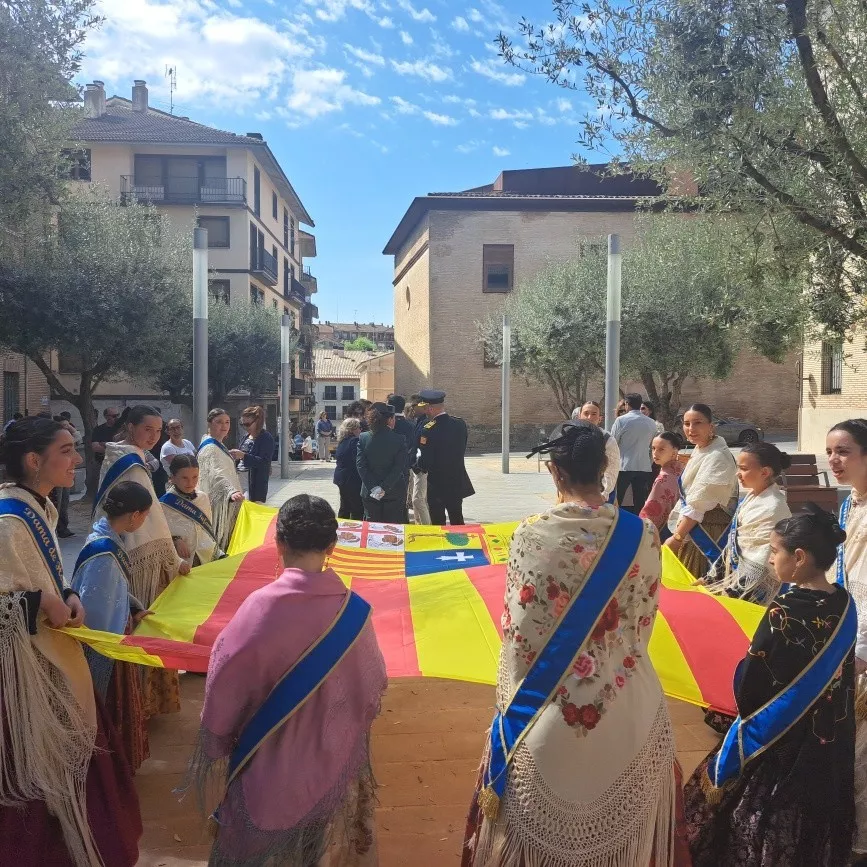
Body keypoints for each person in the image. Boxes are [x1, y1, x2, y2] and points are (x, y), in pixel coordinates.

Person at [462, 421, 681, 867]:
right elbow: (643, 621)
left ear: (553, 471)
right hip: (627, 701)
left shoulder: (530, 534)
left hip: (546, 710)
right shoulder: (644, 534)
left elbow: (518, 634)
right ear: (605, 468)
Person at [184, 494, 387, 866]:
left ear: (278, 543)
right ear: (332, 547)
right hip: (335, 773)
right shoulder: (356, 614)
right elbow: (371, 693)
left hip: (268, 773)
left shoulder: (257, 610)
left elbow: (223, 682)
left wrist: (220, 740)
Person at [0, 416, 142, 865]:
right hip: (26, 683)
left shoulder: (38, 506)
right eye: (66, 451)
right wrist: (41, 600)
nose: (77, 459)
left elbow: (46, 574)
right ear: (32, 460)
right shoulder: (8, 519)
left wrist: (66, 593)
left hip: (54, 659)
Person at [683, 505, 856, 866]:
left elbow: (753, 679)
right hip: (827, 733)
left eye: (774, 551)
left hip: (779, 741)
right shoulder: (844, 602)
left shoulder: (785, 609)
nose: (770, 557)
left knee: (762, 808)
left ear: (799, 557)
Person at [96, 404, 186, 717]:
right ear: (131, 426)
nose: (153, 436)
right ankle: (137, 708)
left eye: (158, 431)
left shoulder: (125, 456)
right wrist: (172, 557)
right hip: (138, 555)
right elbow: (149, 519)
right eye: (148, 429)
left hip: (135, 550)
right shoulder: (129, 461)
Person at [72, 479, 153, 772]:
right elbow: (97, 607)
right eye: (145, 515)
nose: (145, 521)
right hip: (106, 646)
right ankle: (108, 770)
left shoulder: (105, 537)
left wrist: (132, 605)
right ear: (134, 515)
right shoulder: (105, 551)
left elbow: (113, 589)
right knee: (106, 708)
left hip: (115, 633)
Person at [827, 418, 867, 858]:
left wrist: (860, 652)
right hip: (849, 629)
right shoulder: (850, 505)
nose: (834, 461)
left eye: (844, 452)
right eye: (831, 452)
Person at [703, 441, 792, 604]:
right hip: (737, 582)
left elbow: (762, 559)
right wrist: (711, 577)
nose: (738, 474)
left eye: (743, 469)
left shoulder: (773, 508)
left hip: (754, 592)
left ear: (764, 472)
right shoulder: (751, 497)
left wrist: (735, 591)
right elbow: (734, 543)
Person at [665, 403, 739, 578]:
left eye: (697, 423)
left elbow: (700, 503)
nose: (691, 428)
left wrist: (677, 538)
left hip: (709, 533)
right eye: (686, 423)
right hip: (692, 529)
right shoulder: (701, 450)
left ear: (710, 426)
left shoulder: (718, 456)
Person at [416, 389, 475, 526]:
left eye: (425, 409)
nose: (425, 412)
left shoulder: (428, 429)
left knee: (438, 522)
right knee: (457, 518)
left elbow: (425, 460)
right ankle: (461, 544)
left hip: (437, 484)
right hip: (456, 480)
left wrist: (419, 465)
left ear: (430, 408)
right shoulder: (460, 424)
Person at [161, 454, 224, 567]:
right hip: (183, 561)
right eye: (184, 478)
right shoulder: (164, 504)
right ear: (172, 478)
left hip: (207, 553)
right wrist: (175, 540)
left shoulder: (203, 498)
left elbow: (207, 528)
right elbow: (160, 535)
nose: (190, 483)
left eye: (195, 477)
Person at [197, 408, 245, 552]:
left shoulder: (218, 445)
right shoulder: (210, 448)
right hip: (221, 501)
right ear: (209, 424)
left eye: (227, 422)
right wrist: (230, 491)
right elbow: (216, 474)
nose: (224, 426)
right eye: (219, 422)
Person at [356, 402, 407, 522]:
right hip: (393, 491)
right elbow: (398, 467)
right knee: (392, 529)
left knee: (372, 529)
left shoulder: (363, 437)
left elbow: (361, 466)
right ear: (389, 420)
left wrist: (375, 488)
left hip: (370, 491)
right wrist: (384, 488)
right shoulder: (399, 439)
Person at [610, 392, 659, 514]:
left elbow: (613, 443)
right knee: (640, 501)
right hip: (644, 466)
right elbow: (653, 446)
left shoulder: (621, 420)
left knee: (617, 499)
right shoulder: (651, 423)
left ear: (627, 404)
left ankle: (616, 523)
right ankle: (640, 526)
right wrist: (649, 462)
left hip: (624, 466)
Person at [639, 431, 684, 537]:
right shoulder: (681, 469)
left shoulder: (663, 478)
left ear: (674, 452)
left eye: (661, 449)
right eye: (653, 448)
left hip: (666, 529)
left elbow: (651, 512)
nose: (655, 453)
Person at [572, 400, 619, 500]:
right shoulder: (570, 437)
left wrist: (603, 493)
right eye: (586, 413)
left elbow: (612, 470)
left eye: (594, 414)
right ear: (579, 416)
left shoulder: (607, 440)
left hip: (599, 494)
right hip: (574, 493)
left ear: (600, 418)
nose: (589, 417)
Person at [239, 406, 274, 504]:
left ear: (257, 422)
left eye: (248, 424)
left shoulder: (266, 438)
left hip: (254, 483)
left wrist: (243, 456)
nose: (245, 427)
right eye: (243, 424)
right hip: (240, 479)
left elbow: (264, 462)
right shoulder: (245, 437)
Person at [406, 394, 431, 525]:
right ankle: (418, 525)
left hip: (421, 467)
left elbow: (424, 446)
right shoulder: (418, 421)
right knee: (416, 500)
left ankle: (427, 528)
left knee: (418, 500)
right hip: (415, 466)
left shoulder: (427, 422)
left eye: (414, 406)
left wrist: (419, 464)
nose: (413, 409)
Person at [334, 417, 364, 520]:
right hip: (351, 478)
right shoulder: (354, 441)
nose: (361, 430)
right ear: (352, 429)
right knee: (357, 509)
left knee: (344, 507)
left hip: (341, 478)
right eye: (359, 428)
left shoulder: (342, 441)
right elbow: (357, 460)